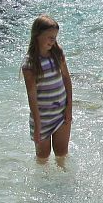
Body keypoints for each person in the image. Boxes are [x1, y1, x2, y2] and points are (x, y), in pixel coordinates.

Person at [22, 15, 73, 163]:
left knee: (62, 155)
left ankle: (64, 178)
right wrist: (38, 126)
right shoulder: (30, 64)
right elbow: (32, 96)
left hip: (61, 113)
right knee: (42, 159)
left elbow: (66, 79)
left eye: (55, 37)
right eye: (50, 37)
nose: (53, 40)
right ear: (37, 35)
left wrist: (69, 108)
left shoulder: (57, 53)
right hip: (42, 118)